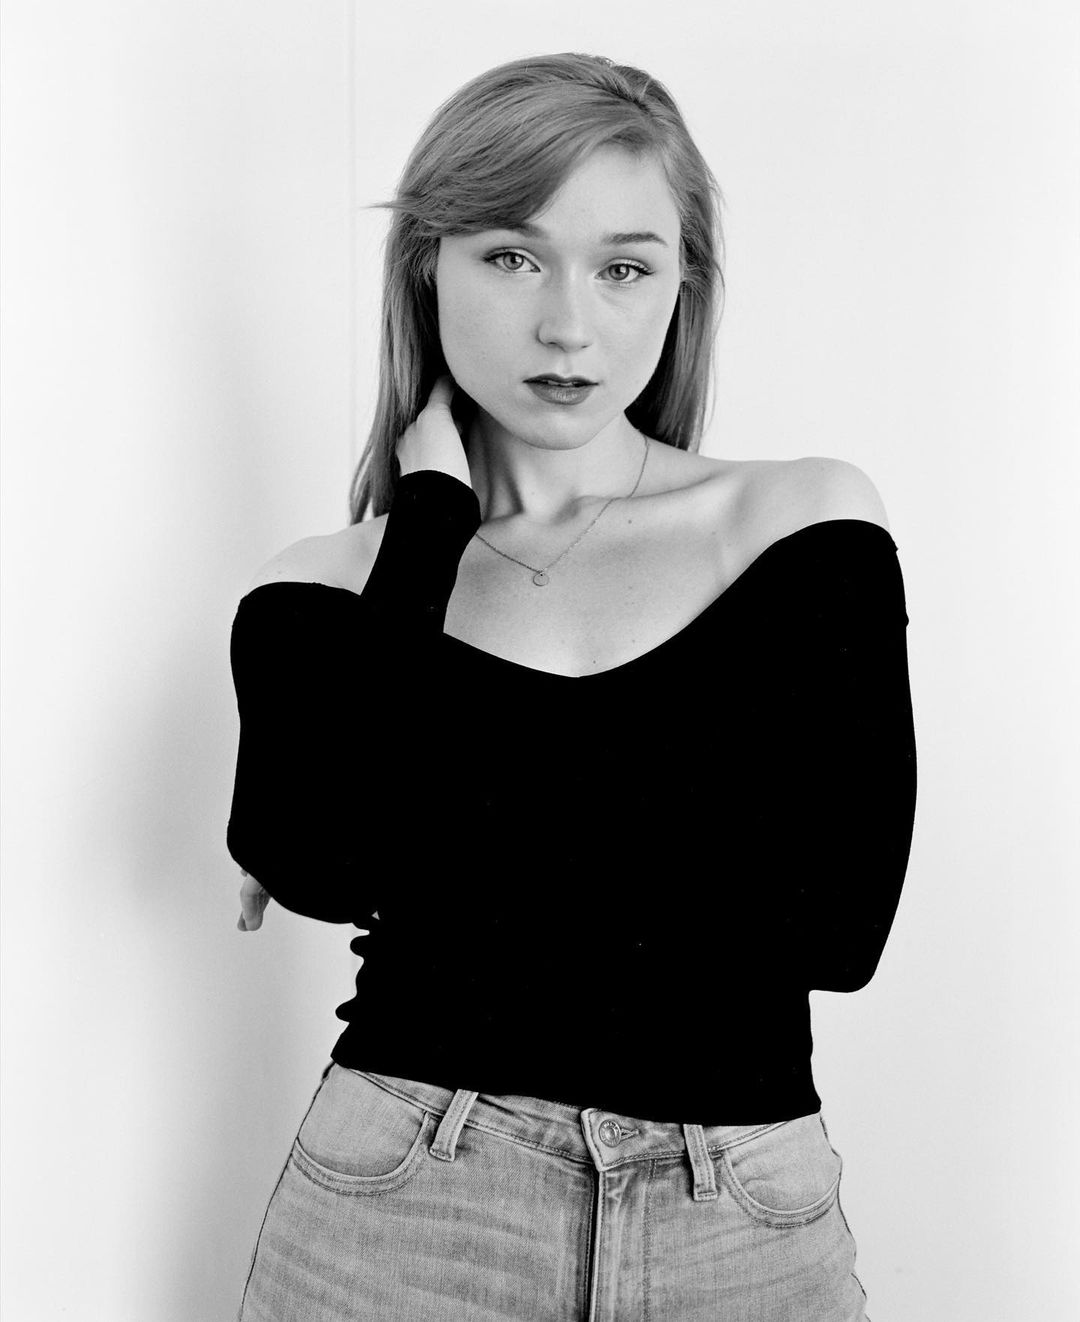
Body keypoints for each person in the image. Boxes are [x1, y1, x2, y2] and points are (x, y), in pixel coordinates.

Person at [225, 51, 916, 1322]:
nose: (568, 326)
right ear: (426, 266)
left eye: (623, 267)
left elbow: (833, 922)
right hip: (402, 1202)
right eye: (512, 255)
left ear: (681, 286)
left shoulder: (800, 525)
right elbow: (325, 860)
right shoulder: (329, 587)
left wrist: (447, 832)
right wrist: (430, 523)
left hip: (738, 1213)